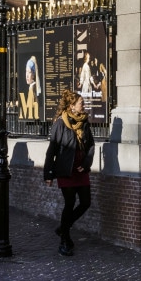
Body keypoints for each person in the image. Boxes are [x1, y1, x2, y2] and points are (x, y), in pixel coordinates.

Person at [43, 88, 96, 256]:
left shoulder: (85, 122)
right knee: (69, 203)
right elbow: (52, 149)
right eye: (81, 103)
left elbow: (91, 146)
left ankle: (63, 227)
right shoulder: (60, 123)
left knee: (86, 202)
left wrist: (87, 164)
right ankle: (65, 239)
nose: (84, 105)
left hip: (81, 169)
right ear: (72, 106)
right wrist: (48, 173)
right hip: (66, 169)